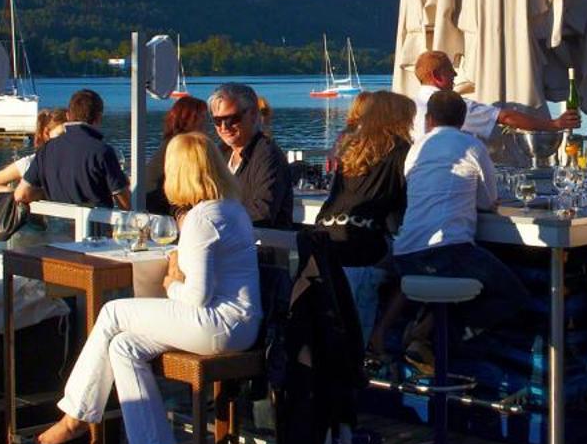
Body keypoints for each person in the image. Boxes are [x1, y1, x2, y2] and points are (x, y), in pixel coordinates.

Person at [21, 134, 261, 444]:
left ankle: (73, 418)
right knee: (123, 346)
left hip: (217, 325)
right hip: (242, 324)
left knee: (113, 313)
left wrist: (170, 282)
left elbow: (193, 298)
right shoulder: (230, 209)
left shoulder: (202, 218)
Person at [373, 89, 535, 356]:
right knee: (514, 295)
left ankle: (408, 333)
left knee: (442, 279)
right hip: (449, 251)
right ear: (462, 120)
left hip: (405, 253)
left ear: (429, 119)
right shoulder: (471, 146)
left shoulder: (416, 148)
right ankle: (433, 337)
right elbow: (487, 201)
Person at [318, 90, 416, 331]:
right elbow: (409, 202)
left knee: (332, 329)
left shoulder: (350, 147)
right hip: (365, 245)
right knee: (419, 266)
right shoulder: (402, 151)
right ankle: (391, 340)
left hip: (325, 238)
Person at [408, 49, 579, 147]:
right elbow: (505, 117)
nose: (455, 74)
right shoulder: (449, 105)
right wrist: (554, 124)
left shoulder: (410, 107)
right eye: (449, 70)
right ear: (437, 75)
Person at [15, 89, 131, 210]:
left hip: (57, 225)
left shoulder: (45, 150)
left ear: (68, 116)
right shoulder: (102, 152)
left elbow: (21, 194)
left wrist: (46, 194)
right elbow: (125, 203)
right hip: (94, 226)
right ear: (99, 117)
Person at [209, 82, 294, 229]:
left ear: (254, 115)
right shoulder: (220, 153)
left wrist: (214, 222)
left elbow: (263, 211)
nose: (224, 127)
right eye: (217, 120)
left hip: (260, 246)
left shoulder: (267, 155)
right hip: (224, 241)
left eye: (231, 119)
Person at [136, 95, 209, 213]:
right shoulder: (183, 146)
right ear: (190, 119)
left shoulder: (170, 142)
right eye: (202, 116)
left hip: (150, 207)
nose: (205, 122)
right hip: (163, 210)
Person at [0, 107, 67, 194]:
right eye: (62, 134)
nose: (68, 139)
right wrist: (16, 193)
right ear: (47, 133)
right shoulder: (31, 162)